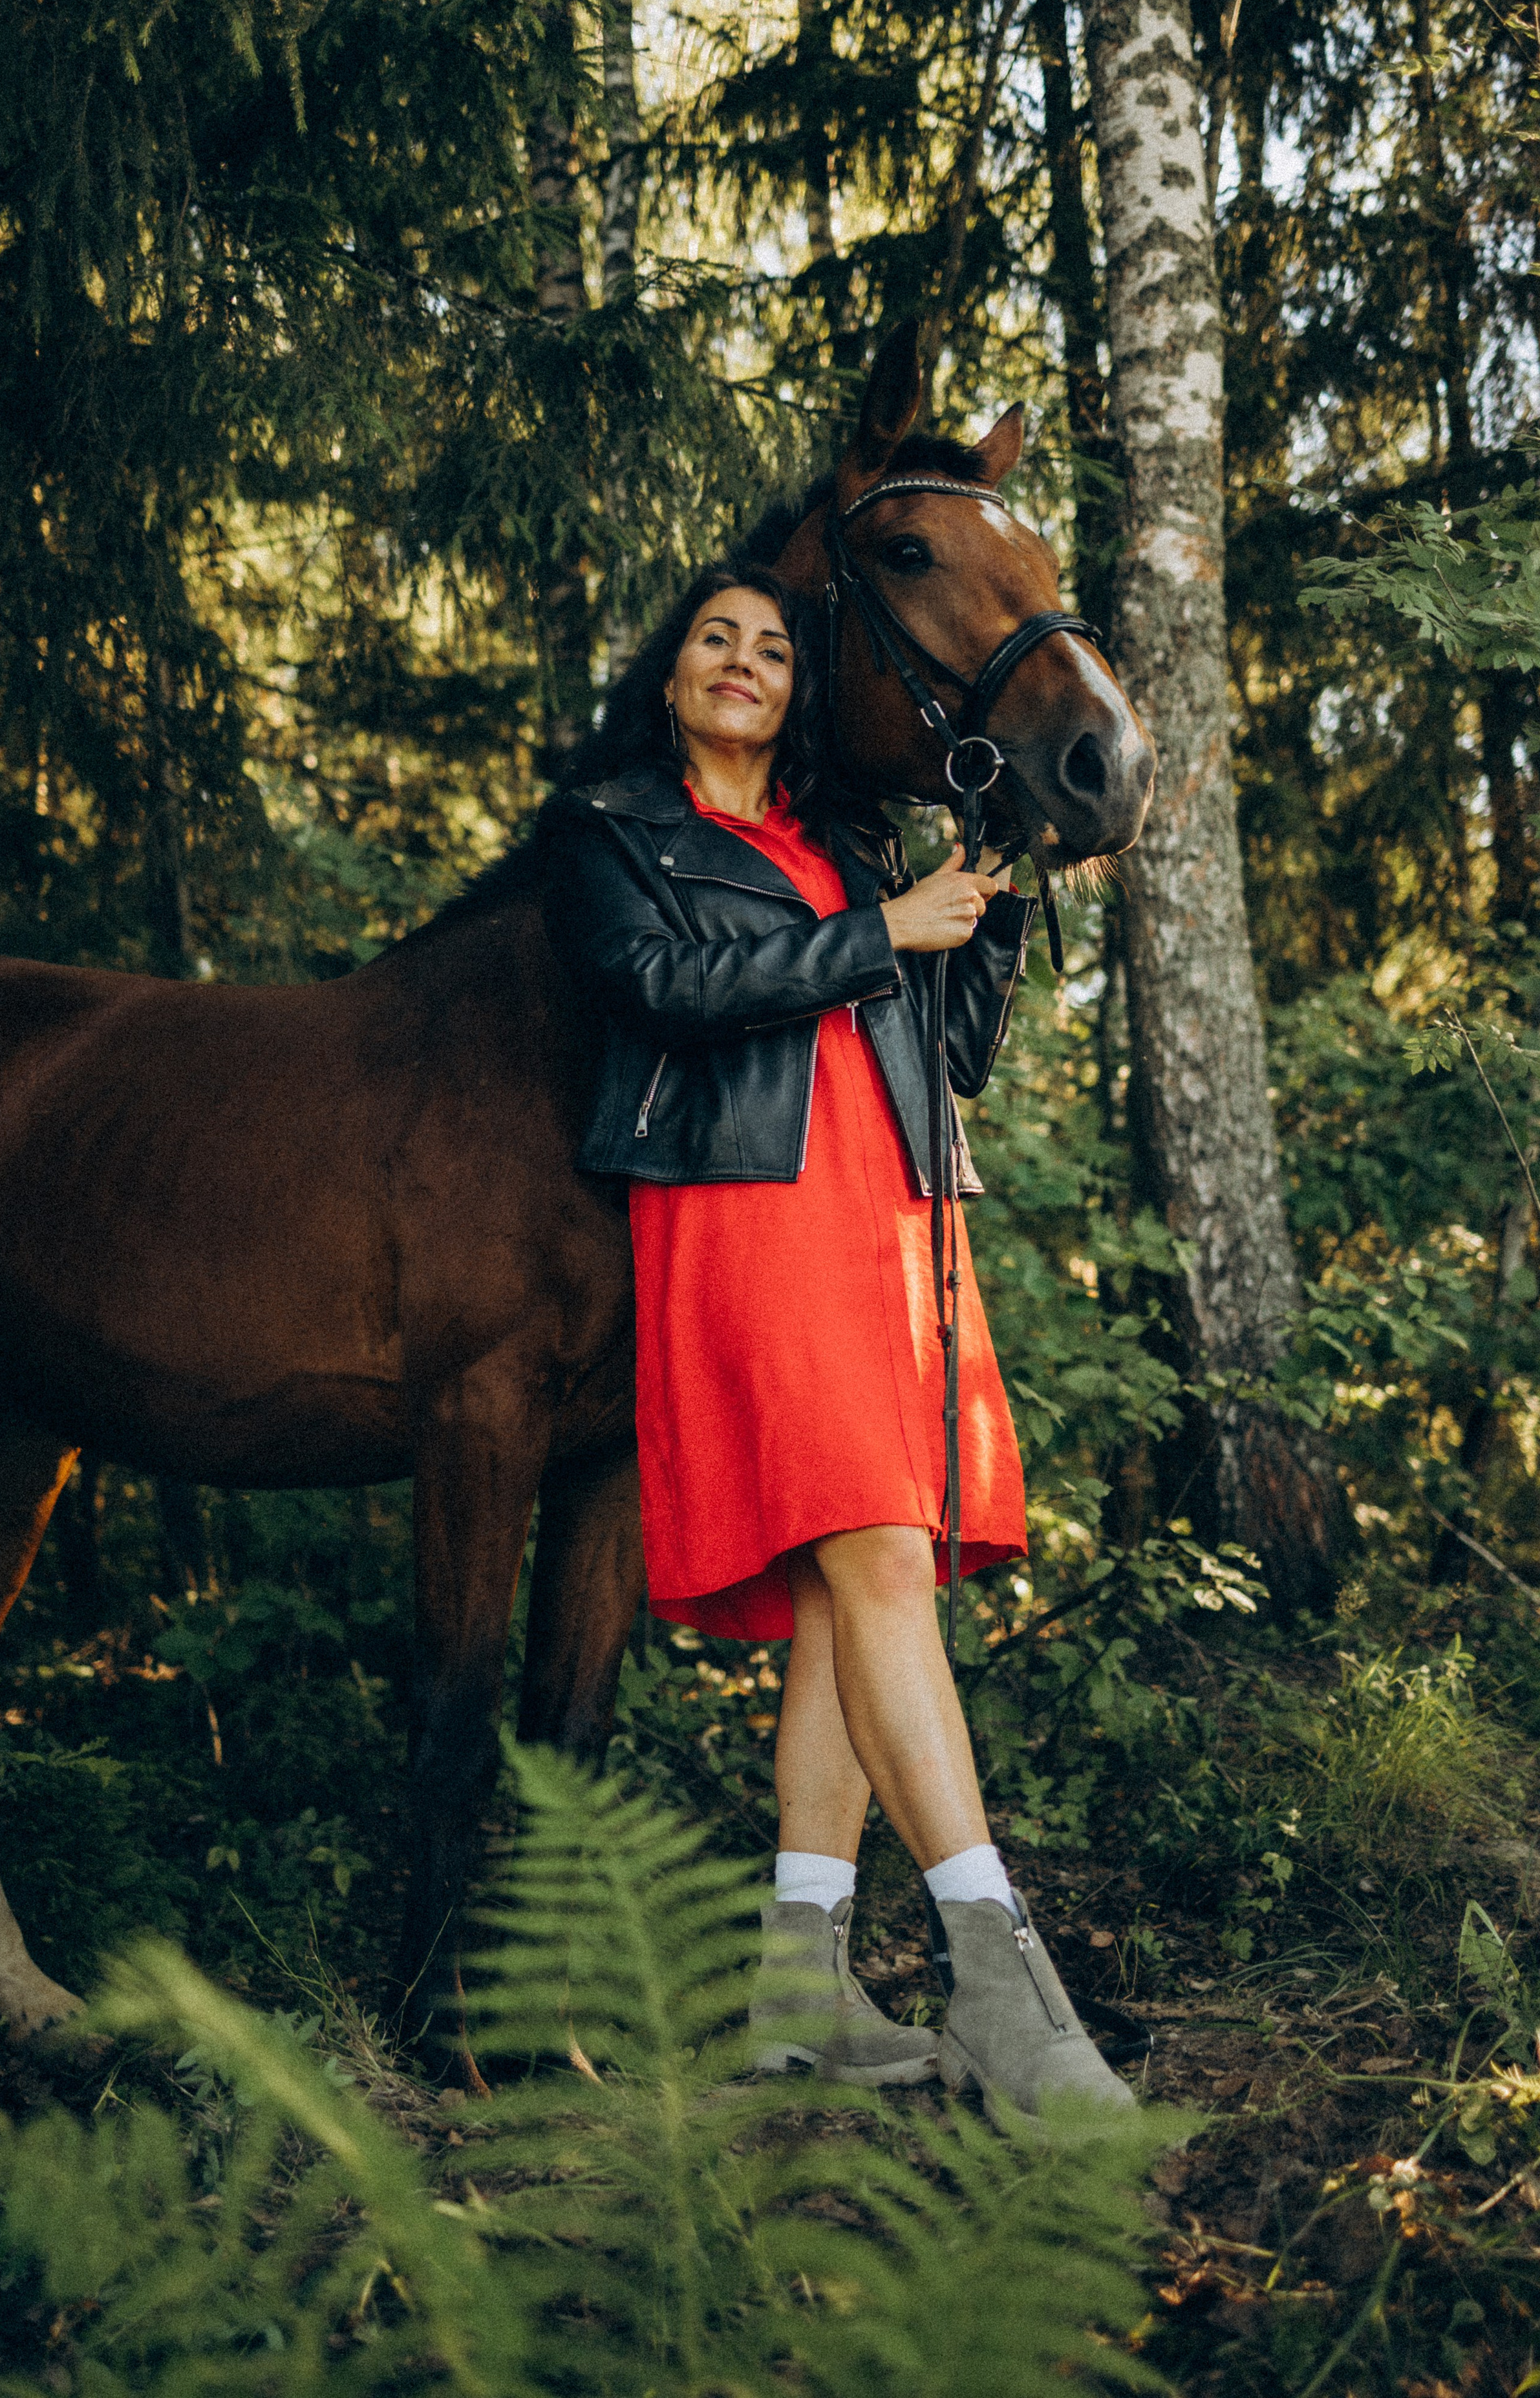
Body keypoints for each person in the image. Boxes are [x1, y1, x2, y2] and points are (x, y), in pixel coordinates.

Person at [538, 563, 1129, 2119]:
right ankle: (1000, 1984)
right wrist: (881, 931)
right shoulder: (613, 831)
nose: (743, 663)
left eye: (772, 649)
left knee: (850, 1586)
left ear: (797, 692)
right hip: (749, 1215)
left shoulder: (842, 840)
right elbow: (656, 990)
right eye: (712, 642)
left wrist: (979, 908)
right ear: (669, 680)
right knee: (869, 1561)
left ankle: (797, 1986)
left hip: (892, 1217)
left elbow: (954, 1050)